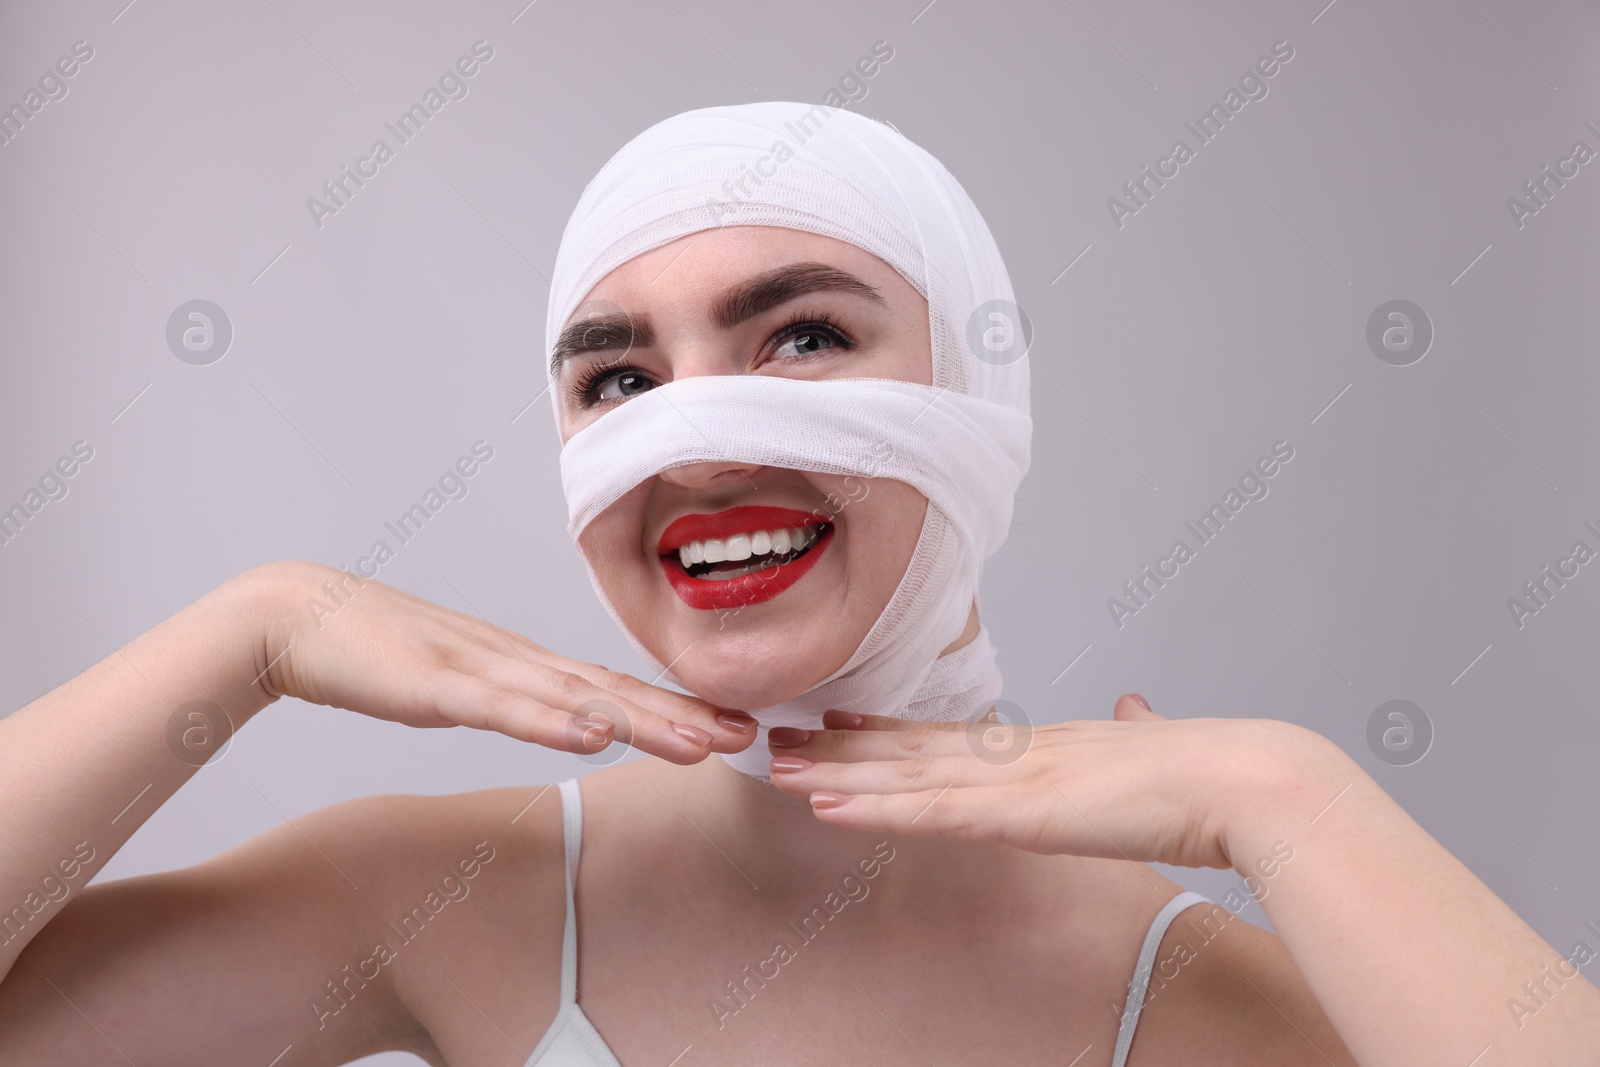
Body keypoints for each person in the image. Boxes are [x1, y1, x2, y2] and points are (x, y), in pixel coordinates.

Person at [1, 102, 1595, 1067]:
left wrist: (1289, 799)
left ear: (976, 391)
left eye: (805, 338)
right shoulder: (448, 902)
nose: (691, 445)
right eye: (617, 381)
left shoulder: (1198, 1003)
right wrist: (246, 633)